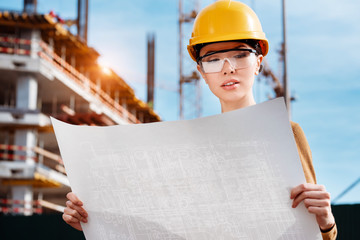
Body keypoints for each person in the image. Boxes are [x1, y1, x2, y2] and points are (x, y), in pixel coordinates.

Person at [63, 0, 337, 239]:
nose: (228, 68)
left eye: (240, 55)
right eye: (213, 59)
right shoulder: (183, 149)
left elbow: (314, 235)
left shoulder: (286, 134)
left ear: (259, 62)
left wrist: (326, 223)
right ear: (201, 71)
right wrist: (92, 220)